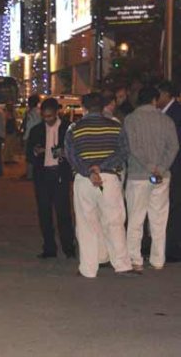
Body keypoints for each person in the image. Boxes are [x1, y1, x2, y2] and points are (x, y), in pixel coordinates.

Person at [65, 93, 138, 278]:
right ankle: (122, 265)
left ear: (84, 107)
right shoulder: (115, 126)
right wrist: (101, 167)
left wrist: (89, 171)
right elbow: (123, 152)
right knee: (114, 222)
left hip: (84, 180)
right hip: (109, 178)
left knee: (86, 224)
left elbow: (71, 156)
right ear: (103, 106)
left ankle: (88, 268)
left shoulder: (74, 128)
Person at [123, 86, 179, 271]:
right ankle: (158, 259)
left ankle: (135, 259)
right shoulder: (166, 120)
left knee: (136, 219)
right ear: (155, 100)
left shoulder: (131, 119)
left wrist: (149, 167)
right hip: (162, 177)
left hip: (138, 176)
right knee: (159, 219)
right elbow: (173, 146)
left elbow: (133, 147)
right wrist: (160, 168)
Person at [27, 98, 75, 259]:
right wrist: (36, 151)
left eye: (50, 116)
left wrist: (64, 153)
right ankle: (49, 247)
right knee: (44, 212)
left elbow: (75, 150)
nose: (47, 120)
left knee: (63, 212)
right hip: (43, 174)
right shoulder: (37, 130)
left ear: (57, 113)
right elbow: (28, 153)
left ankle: (68, 247)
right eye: (44, 116)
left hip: (60, 173)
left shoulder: (67, 128)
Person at [157, 81, 181, 262]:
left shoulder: (175, 114)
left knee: (172, 208)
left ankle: (171, 248)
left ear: (166, 94)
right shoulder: (166, 113)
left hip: (175, 167)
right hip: (169, 167)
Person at [23, 95, 41, 180]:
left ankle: (30, 175)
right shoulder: (39, 112)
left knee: (30, 157)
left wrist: (24, 138)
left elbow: (29, 126)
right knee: (35, 157)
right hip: (38, 137)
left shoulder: (31, 113)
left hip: (31, 137)